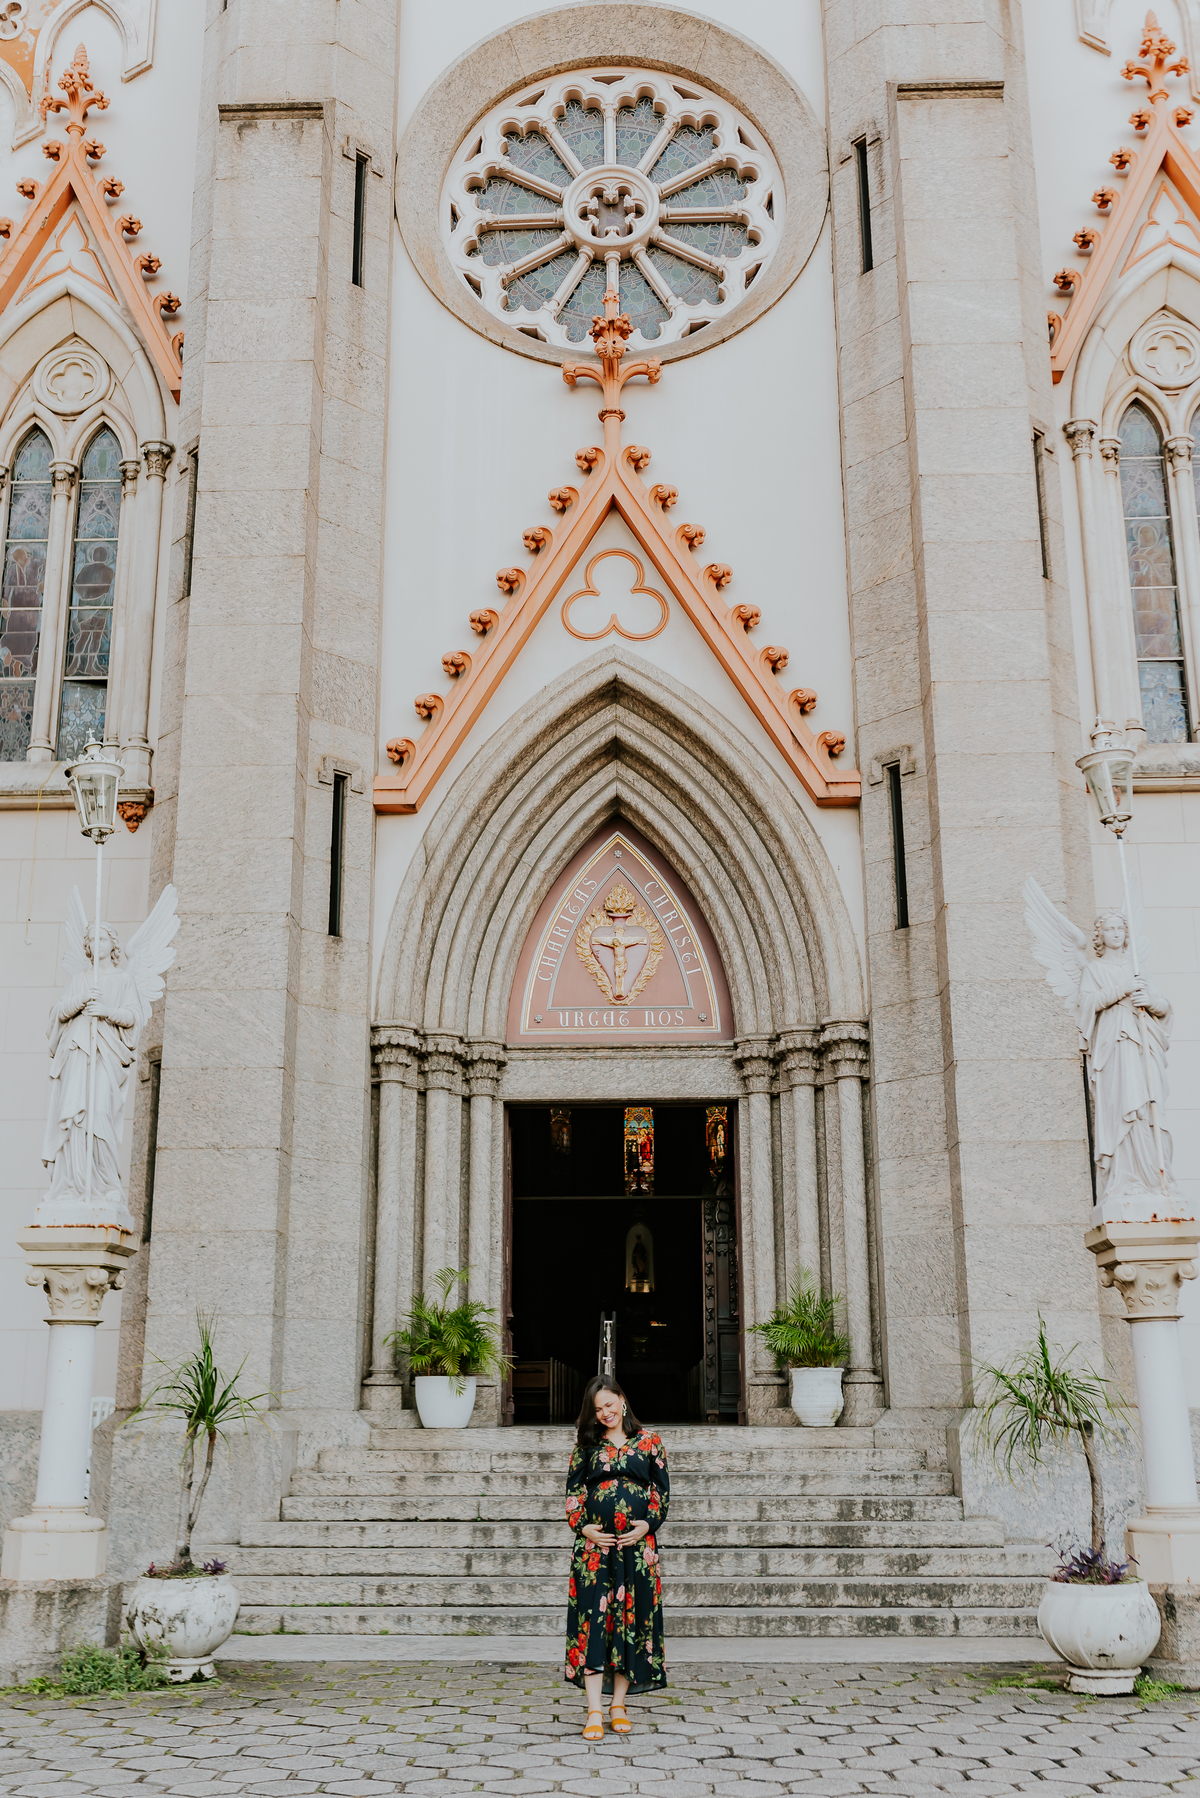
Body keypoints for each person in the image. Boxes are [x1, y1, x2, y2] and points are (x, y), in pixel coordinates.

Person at [563, 1374, 670, 1740]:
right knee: (593, 1624)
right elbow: (574, 1492)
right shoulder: (586, 1444)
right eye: (598, 1409)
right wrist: (584, 1527)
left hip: (637, 1550)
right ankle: (594, 1710)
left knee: (630, 1624)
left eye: (610, 1404)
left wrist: (647, 1525)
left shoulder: (650, 1442)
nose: (606, 1413)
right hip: (595, 1551)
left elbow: (661, 1493)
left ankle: (618, 1704)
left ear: (622, 1400)